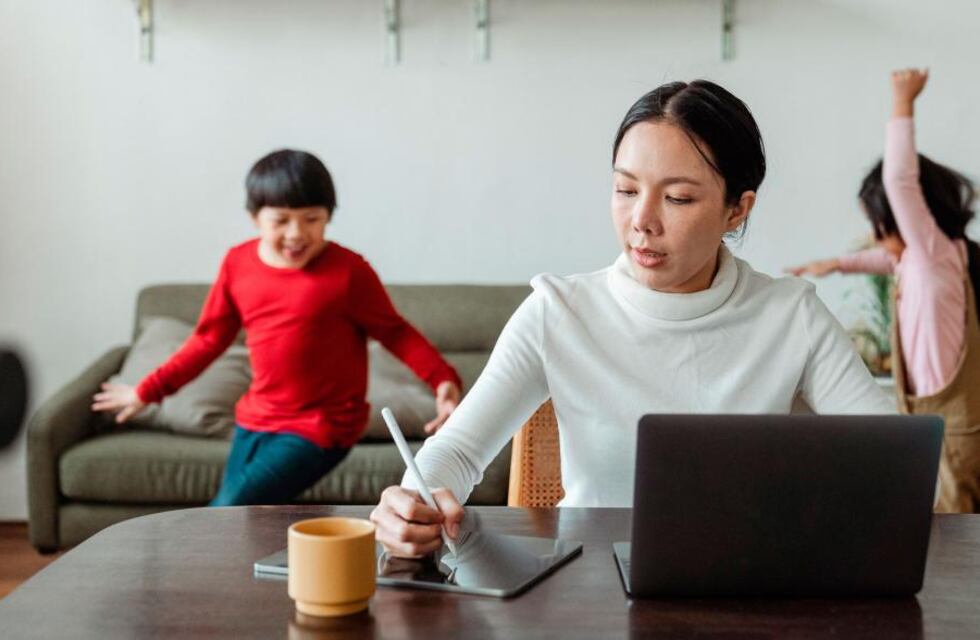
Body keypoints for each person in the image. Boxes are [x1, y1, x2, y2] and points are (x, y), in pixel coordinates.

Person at [370, 80, 896, 557]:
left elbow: (891, 459)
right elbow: (458, 451)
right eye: (625, 190)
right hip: (589, 592)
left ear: (737, 209)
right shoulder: (559, 312)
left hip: (747, 586)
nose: (642, 221)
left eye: (678, 198)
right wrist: (414, 501)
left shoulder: (791, 315)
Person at [92, 149, 462, 506]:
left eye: (312, 219)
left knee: (227, 510)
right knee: (243, 520)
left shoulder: (349, 272)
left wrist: (442, 379)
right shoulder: (237, 264)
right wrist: (147, 391)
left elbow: (395, 332)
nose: (296, 233)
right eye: (281, 220)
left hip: (322, 426)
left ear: (328, 216)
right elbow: (207, 340)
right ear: (255, 217)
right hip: (255, 418)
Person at [788, 69, 980, 513]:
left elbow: (899, 180)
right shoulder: (926, 261)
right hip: (936, 419)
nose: (874, 237)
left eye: (877, 224)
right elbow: (885, 260)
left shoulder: (932, 252)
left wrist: (902, 101)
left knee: (954, 528)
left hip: (953, 427)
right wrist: (836, 264)